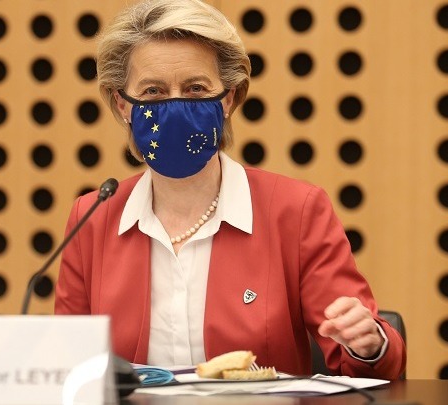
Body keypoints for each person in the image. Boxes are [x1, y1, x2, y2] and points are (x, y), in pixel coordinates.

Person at [54, 0, 406, 379]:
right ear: (122, 104)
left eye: (196, 88)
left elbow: (373, 367)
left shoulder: (296, 211)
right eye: (153, 91)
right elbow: (68, 368)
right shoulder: (92, 219)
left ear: (228, 98)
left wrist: (368, 344)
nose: (175, 105)